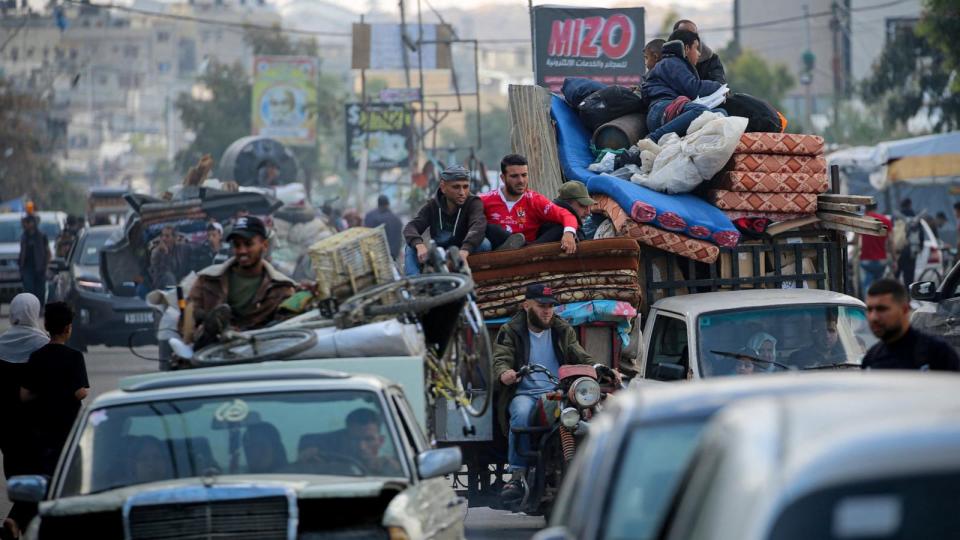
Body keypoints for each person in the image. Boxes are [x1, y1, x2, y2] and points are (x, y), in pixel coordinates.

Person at [493, 284, 595, 501]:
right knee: (520, 414)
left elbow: (579, 355)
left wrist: (598, 369)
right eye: (541, 306)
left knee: (583, 417)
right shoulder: (510, 330)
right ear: (526, 305)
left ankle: (586, 471)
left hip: (557, 392)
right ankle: (517, 475)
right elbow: (501, 358)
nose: (547, 311)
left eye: (550, 306)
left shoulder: (562, 329)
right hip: (524, 393)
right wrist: (505, 373)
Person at [185, 216, 297, 349]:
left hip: (258, 356)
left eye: (248, 244)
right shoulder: (208, 279)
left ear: (265, 245)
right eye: (237, 245)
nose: (242, 251)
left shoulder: (281, 287)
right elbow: (188, 321)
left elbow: (287, 330)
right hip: (210, 355)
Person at [20, 302, 89, 477]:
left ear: (46, 326)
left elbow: (25, 395)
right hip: (68, 427)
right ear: (68, 329)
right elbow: (80, 392)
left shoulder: (36, 356)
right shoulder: (75, 356)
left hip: (42, 428)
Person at [480, 154, 580, 254]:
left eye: (524, 175)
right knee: (486, 226)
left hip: (529, 248)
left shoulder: (535, 200)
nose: (521, 181)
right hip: (497, 248)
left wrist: (569, 233)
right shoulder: (485, 199)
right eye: (514, 176)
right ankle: (506, 250)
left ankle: (528, 249)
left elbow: (566, 215)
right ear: (503, 178)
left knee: (561, 227)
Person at [641, 29, 727, 144]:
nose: (699, 53)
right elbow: (693, 88)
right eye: (696, 48)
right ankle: (652, 139)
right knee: (700, 111)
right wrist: (719, 86)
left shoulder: (676, 63)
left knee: (721, 113)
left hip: (670, 111)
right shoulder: (672, 62)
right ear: (686, 49)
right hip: (661, 111)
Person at [402, 165, 489, 276]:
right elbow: (411, 227)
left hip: (463, 251)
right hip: (440, 254)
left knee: (484, 243)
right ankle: (414, 282)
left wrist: (464, 252)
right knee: (410, 246)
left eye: (466, 187)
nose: (462, 192)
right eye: (456, 187)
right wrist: (419, 245)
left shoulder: (474, 203)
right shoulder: (432, 206)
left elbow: (478, 226)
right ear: (443, 187)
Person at [862, 278, 960, 370]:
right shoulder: (871, 360)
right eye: (869, 310)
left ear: (904, 310)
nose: (874, 317)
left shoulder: (937, 353)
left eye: (882, 309)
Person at [860, 204, 894, 297]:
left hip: (866, 260)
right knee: (880, 284)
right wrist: (894, 260)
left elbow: (855, 241)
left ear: (866, 208)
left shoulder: (862, 220)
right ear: (876, 208)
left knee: (867, 284)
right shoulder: (886, 221)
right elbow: (891, 242)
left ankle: (867, 305)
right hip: (881, 260)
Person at [18, 214, 51, 305]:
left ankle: (39, 307)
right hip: (27, 268)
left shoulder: (42, 236)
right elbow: (22, 253)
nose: (27, 225)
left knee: (40, 290)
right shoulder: (24, 236)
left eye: (29, 222)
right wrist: (21, 266)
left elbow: (48, 252)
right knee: (28, 289)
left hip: (40, 267)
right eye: (26, 222)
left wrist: (46, 266)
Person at [365, 194, 405, 259]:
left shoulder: (370, 216)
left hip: (376, 256)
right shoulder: (397, 219)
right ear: (388, 204)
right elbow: (399, 239)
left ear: (378, 204)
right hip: (393, 256)